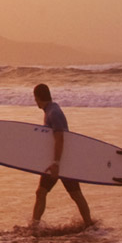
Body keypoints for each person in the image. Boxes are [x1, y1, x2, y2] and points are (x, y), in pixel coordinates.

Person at [30, 84, 94, 229]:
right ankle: (89, 224)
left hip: (60, 162)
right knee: (47, 192)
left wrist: (56, 164)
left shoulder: (54, 113)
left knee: (71, 194)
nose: (35, 101)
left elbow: (60, 138)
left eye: (35, 98)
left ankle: (34, 226)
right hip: (60, 160)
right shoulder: (51, 110)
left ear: (38, 97)